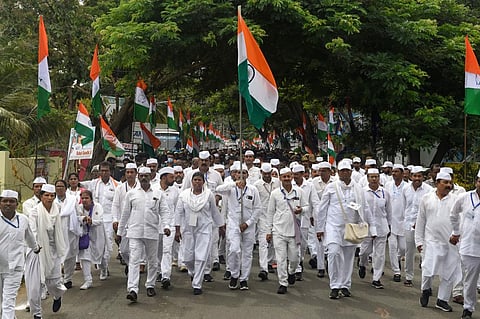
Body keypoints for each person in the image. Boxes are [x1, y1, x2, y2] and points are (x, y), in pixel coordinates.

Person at [316, 160, 375, 299]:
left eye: (347, 170)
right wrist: (320, 228)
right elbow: (322, 208)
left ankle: (345, 285)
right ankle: (334, 285)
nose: (345, 173)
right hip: (333, 227)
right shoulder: (331, 187)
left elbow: (365, 208)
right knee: (334, 253)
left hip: (351, 228)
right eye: (342, 171)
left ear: (351, 172)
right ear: (337, 173)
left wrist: (371, 227)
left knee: (348, 258)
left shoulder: (358, 188)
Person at [118, 167, 171, 302]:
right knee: (134, 260)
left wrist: (166, 226)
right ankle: (133, 289)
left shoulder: (158, 193)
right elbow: (125, 214)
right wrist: (120, 231)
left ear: (150, 176)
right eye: (141, 176)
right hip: (135, 232)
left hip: (152, 232)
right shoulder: (131, 194)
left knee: (152, 261)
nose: (143, 178)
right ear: (138, 177)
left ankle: (150, 284)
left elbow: (164, 211)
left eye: (146, 176)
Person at [415, 171, 460, 312]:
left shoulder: (455, 200)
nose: (448, 185)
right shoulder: (426, 198)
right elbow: (420, 220)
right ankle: (426, 289)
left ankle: (442, 300)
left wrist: (457, 236)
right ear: (437, 183)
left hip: (450, 243)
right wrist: (419, 241)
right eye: (445, 182)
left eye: (449, 183)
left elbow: (461, 220)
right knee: (428, 269)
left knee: (449, 272)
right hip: (430, 241)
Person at [174, 172, 225, 295]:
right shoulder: (184, 195)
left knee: (201, 256)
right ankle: (193, 273)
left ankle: (197, 284)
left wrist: (221, 226)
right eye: (195, 180)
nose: (197, 182)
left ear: (203, 182)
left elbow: (214, 212)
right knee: (188, 258)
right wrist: (177, 230)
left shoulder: (209, 195)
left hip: (204, 229)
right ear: (192, 181)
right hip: (188, 229)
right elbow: (178, 213)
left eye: (199, 180)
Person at [216, 166, 262, 290]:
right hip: (233, 224)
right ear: (234, 175)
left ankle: (244, 279)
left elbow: (257, 208)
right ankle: (234, 274)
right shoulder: (230, 188)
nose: (241, 175)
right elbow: (218, 189)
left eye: (244, 173)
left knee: (247, 253)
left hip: (248, 225)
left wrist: (248, 223)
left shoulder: (253, 190)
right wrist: (233, 184)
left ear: (248, 175)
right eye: (238, 173)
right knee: (234, 250)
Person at [266, 167, 309, 294]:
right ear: (280, 178)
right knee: (281, 258)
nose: (286, 179)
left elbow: (307, 206)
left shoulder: (299, 192)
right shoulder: (275, 194)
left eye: (288, 176)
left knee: (295, 257)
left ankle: (291, 272)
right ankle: (283, 283)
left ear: (292, 177)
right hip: (278, 230)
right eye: (284, 176)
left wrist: (302, 210)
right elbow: (270, 213)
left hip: (294, 231)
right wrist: (269, 231)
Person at [0, 190, 40, 319]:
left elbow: (30, 237)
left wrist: (35, 248)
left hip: (15, 267)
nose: (8, 204)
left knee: (8, 301)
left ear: (17, 204)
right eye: (4, 201)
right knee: (2, 300)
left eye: (11, 201)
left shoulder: (23, 219)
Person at [28, 184, 67, 315]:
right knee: (35, 286)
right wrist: (35, 246)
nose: (49, 198)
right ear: (41, 196)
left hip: (53, 249)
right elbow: (32, 230)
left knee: (54, 283)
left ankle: (57, 296)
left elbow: (58, 230)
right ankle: (37, 314)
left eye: (52, 195)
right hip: (38, 250)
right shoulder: (34, 212)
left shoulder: (57, 209)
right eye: (46, 195)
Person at [451, 170, 480, 319]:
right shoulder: (465, 197)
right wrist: (456, 231)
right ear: (476, 181)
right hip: (470, 247)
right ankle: (468, 309)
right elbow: (453, 214)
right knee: (470, 280)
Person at [84, 161, 119, 281]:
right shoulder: (94, 184)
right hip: (95, 218)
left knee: (107, 246)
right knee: (95, 244)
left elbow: (117, 204)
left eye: (106, 170)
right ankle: (98, 263)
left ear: (110, 171)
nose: (104, 173)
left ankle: (104, 267)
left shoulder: (116, 185)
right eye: (102, 170)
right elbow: (78, 186)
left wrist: (116, 220)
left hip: (109, 219)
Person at [358, 168, 392, 289]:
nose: (374, 179)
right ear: (367, 178)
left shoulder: (384, 193)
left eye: (376, 176)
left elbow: (389, 211)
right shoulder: (362, 192)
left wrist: (389, 225)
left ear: (379, 178)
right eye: (371, 177)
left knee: (379, 254)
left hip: (381, 227)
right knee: (364, 251)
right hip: (366, 227)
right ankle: (362, 263)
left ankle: (376, 278)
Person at [403, 166, 433, 287]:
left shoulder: (429, 190)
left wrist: (421, 223)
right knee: (409, 252)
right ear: (411, 176)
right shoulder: (405, 189)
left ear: (423, 177)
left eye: (419, 176)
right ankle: (408, 277)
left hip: (424, 227)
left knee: (425, 254)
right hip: (408, 225)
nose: (417, 178)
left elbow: (430, 209)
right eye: (414, 176)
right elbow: (404, 207)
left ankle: (427, 283)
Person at [152, 167, 179, 290]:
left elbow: (178, 209)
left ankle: (166, 276)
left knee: (167, 250)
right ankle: (158, 271)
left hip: (170, 224)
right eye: (171, 177)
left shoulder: (175, 191)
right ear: (163, 178)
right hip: (155, 225)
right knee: (157, 251)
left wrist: (179, 227)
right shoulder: (153, 189)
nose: (174, 179)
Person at [291, 164, 318, 282]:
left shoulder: (310, 186)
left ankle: (300, 261)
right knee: (293, 244)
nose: (295, 177)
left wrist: (314, 216)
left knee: (302, 244)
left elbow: (315, 202)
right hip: (291, 220)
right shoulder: (289, 185)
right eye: (294, 175)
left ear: (302, 174)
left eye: (297, 175)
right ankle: (296, 268)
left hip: (305, 219)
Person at [254, 163, 280, 280]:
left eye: (269, 174)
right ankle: (263, 268)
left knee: (274, 241)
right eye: (265, 174)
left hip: (276, 216)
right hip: (263, 217)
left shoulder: (277, 182)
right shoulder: (257, 185)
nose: (267, 176)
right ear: (261, 173)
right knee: (263, 242)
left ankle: (269, 262)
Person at [76, 190, 106, 290]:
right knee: (85, 257)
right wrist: (83, 219)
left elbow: (101, 220)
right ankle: (88, 280)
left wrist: (92, 221)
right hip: (85, 236)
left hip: (97, 235)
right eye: (82, 198)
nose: (84, 200)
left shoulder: (98, 207)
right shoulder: (79, 208)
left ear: (91, 199)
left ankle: (104, 270)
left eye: (86, 198)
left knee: (100, 255)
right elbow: (76, 218)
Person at [55, 179, 82, 290]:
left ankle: (68, 279)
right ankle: (58, 279)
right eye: (57, 186)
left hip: (70, 232)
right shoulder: (51, 200)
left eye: (62, 186)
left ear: (66, 188)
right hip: (56, 232)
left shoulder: (72, 200)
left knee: (70, 257)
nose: (59, 188)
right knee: (57, 256)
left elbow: (78, 213)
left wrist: (82, 219)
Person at [111, 163, 138, 272]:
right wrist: (115, 219)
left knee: (136, 249)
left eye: (132, 172)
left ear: (136, 173)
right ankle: (129, 263)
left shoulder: (140, 187)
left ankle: (133, 268)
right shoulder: (120, 188)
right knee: (124, 251)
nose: (130, 174)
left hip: (137, 223)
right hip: (125, 223)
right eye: (128, 172)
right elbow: (115, 205)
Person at [385, 164, 408, 282]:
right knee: (392, 247)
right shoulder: (388, 185)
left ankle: (398, 259)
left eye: (396, 172)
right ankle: (396, 271)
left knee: (403, 248)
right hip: (390, 221)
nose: (394, 174)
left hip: (403, 221)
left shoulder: (407, 187)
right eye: (393, 172)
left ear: (402, 173)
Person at [311, 161, 334, 278]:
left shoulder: (335, 182)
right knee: (319, 242)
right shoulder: (313, 183)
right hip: (318, 216)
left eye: (324, 170)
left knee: (331, 242)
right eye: (320, 171)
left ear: (330, 171)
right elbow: (311, 200)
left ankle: (331, 265)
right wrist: (311, 215)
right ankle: (321, 267)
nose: (322, 173)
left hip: (332, 216)